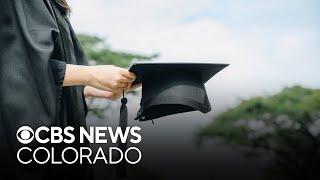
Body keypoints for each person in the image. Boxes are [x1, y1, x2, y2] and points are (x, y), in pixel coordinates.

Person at [0, 0, 139, 179]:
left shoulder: (55, 6)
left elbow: (54, 77)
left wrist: (97, 88)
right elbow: (18, 69)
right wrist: (91, 75)